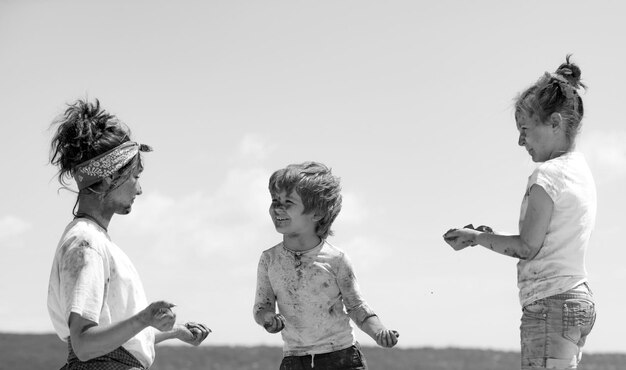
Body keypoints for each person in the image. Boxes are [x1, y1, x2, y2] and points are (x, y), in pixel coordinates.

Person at [443, 56, 596, 370]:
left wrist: (476, 237)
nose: (520, 140)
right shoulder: (579, 170)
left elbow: (527, 246)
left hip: (551, 304)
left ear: (554, 122)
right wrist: (489, 236)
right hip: (577, 299)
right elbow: (546, 240)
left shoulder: (547, 176)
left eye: (525, 129)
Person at [47, 99, 211, 369]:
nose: (139, 189)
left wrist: (175, 331)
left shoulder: (92, 240)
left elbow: (118, 341)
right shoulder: (86, 244)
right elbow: (85, 345)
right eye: (136, 176)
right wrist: (143, 318)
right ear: (111, 177)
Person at [253, 162, 399, 370]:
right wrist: (268, 319)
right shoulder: (269, 259)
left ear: (317, 213)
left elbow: (356, 307)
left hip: (342, 358)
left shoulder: (336, 259)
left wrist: (380, 333)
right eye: (275, 200)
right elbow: (261, 307)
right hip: (295, 359)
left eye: (288, 202)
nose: (278, 208)